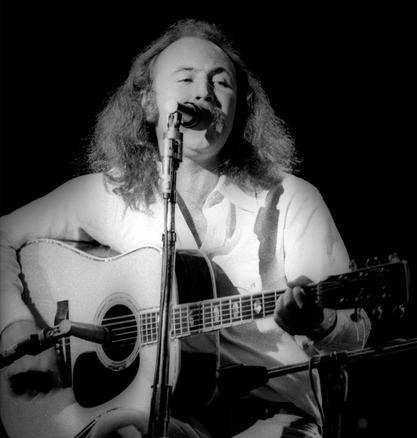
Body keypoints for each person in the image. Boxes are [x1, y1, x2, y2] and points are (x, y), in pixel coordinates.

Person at [0, 19, 371, 438]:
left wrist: (318, 321)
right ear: (147, 103)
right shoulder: (112, 194)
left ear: (240, 107)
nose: (204, 93)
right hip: (147, 415)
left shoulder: (290, 200)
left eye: (222, 82)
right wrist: (18, 328)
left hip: (267, 418)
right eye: (186, 78)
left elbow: (354, 330)